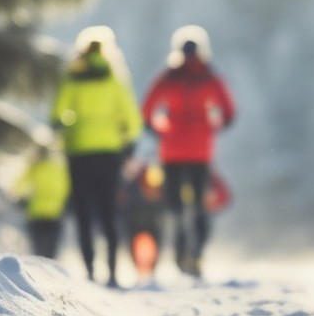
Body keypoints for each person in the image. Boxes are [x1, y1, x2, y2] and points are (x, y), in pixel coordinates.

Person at [51, 26, 144, 287]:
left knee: (83, 213)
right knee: (108, 211)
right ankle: (112, 272)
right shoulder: (116, 80)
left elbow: (57, 115)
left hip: (78, 152)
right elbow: (133, 120)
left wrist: (71, 128)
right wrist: (126, 143)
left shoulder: (72, 78)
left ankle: (90, 270)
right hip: (109, 154)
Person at [142, 25, 236, 277]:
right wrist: (212, 127)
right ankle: (197, 255)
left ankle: (180, 253)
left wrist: (159, 129)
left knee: (175, 206)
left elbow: (147, 109)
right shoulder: (210, 76)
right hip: (201, 151)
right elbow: (229, 112)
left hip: (172, 151)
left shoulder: (168, 76)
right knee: (200, 206)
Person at [15, 144, 70, 258]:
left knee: (38, 250)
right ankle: (50, 265)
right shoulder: (60, 170)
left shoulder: (34, 168)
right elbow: (67, 189)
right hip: (55, 214)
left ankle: (39, 265)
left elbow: (18, 187)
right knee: (51, 251)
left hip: (36, 213)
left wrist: (22, 199)